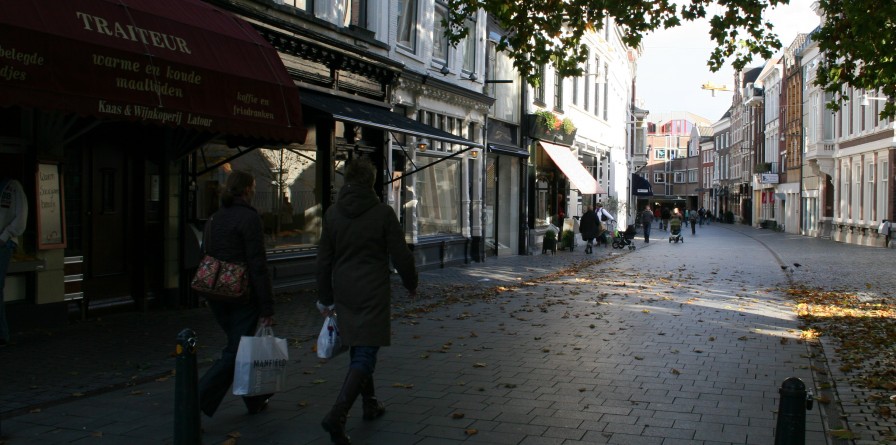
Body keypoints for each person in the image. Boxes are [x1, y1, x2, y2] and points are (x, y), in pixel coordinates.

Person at [316, 158, 418, 445]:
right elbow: (401, 254)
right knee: (365, 351)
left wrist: (325, 298)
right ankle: (338, 414)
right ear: (371, 181)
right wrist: (411, 283)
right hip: (373, 290)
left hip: (344, 290)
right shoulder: (382, 213)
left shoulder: (333, 214)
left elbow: (323, 260)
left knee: (358, 344)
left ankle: (370, 402)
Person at [198, 170, 275, 417]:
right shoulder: (249, 218)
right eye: (253, 186)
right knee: (236, 350)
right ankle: (196, 398)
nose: (253, 190)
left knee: (239, 345)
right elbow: (257, 264)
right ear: (247, 190)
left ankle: (255, 398)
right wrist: (267, 307)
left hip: (215, 291)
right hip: (241, 293)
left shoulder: (216, 218)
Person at [0, 177, 27, 347]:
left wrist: (4, 237)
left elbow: (20, 217)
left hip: (3, 242)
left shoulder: (12, 187)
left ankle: (2, 333)